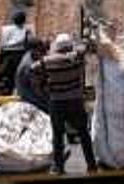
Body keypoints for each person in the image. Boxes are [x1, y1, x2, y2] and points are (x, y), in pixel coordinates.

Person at [32, 33, 98, 174]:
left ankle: (58, 167)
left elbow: (33, 69)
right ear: (69, 47)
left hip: (56, 102)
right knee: (83, 133)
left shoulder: (47, 61)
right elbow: (84, 48)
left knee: (58, 135)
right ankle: (91, 165)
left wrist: (44, 89)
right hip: (75, 101)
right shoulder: (76, 59)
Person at [0, 10, 32, 95]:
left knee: (2, 74)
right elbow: (30, 44)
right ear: (24, 20)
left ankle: (3, 89)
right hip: (21, 56)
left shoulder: (5, 30)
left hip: (6, 56)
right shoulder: (26, 31)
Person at [15, 38, 50, 113]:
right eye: (41, 51)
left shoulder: (29, 55)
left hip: (29, 93)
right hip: (30, 99)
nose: (43, 54)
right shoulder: (29, 65)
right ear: (34, 50)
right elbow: (37, 90)